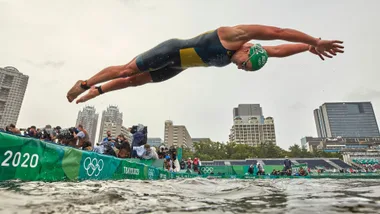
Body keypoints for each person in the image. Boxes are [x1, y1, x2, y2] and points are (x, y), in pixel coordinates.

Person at [66, 24, 344, 104]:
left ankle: (98, 92)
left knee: (134, 82)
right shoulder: (234, 36)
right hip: (174, 49)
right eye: (243, 65)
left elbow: (281, 49)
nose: (238, 67)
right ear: (247, 52)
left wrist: (308, 48)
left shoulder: (257, 53)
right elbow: (278, 34)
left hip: (179, 66)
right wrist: (316, 39)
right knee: (129, 70)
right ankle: (86, 83)